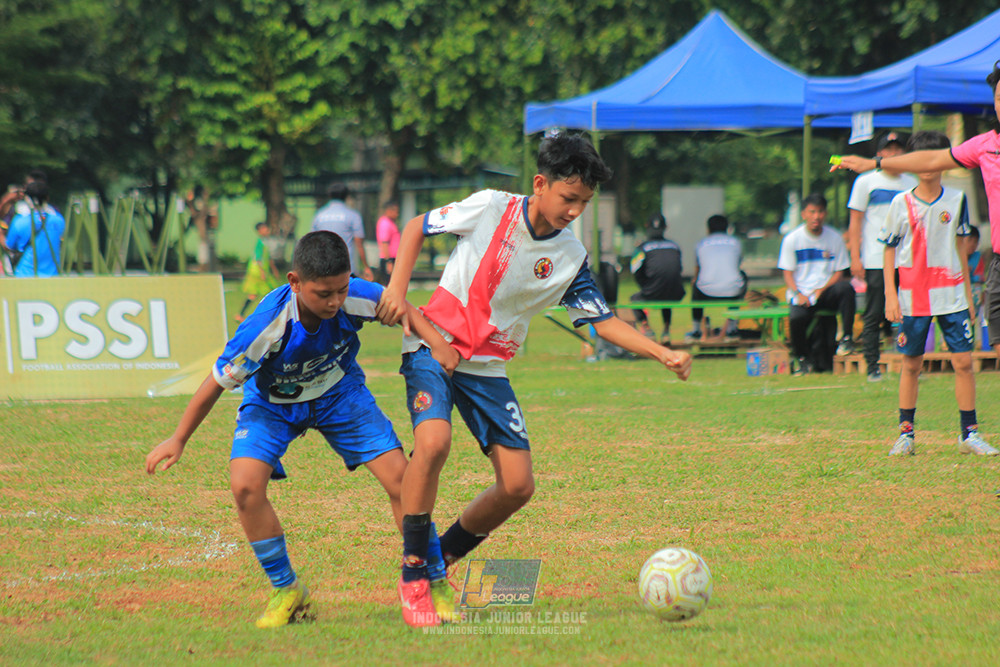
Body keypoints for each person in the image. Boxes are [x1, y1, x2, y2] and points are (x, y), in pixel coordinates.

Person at [374, 133, 692, 628]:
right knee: (433, 443)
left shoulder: (570, 257)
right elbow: (416, 226)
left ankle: (439, 560)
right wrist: (397, 286)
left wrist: (661, 352)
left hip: (488, 367)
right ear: (540, 184)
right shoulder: (490, 207)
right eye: (569, 199)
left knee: (518, 486)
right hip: (433, 343)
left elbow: (602, 320)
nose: (574, 211)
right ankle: (414, 573)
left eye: (584, 203)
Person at [144, 231, 461, 629]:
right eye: (323, 293)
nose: (334, 302)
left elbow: (404, 310)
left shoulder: (354, 295)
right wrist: (179, 438)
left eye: (341, 290)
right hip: (271, 405)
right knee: (244, 485)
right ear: (295, 283)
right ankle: (286, 589)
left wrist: (439, 345)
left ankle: (433, 578)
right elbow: (215, 382)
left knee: (402, 481)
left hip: (340, 394)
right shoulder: (266, 325)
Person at [833, 61, 1000, 358]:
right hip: (988, 263)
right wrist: (874, 164)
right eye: (999, 98)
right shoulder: (984, 146)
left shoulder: (954, 194)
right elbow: (930, 160)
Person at [879, 131, 997, 457]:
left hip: (953, 296)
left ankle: (969, 434)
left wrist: (970, 296)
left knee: (963, 362)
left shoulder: (957, 199)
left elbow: (961, 245)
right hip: (913, 296)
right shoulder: (899, 203)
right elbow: (888, 250)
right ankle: (906, 434)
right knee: (912, 364)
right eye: (922, 156)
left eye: (935, 155)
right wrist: (890, 294)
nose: (929, 164)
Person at [847, 132, 918, 382]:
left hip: (907, 257)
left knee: (910, 312)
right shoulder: (866, 181)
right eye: (890, 149)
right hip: (877, 258)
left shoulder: (911, 181)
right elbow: (855, 223)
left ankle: (909, 365)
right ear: (880, 154)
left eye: (899, 149)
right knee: (875, 312)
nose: (895, 153)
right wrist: (855, 257)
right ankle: (872, 365)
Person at [777, 193, 856, 374]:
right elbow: (788, 273)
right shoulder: (792, 239)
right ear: (804, 214)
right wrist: (798, 294)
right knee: (796, 318)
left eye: (820, 212)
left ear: (825, 214)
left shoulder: (834, 238)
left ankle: (847, 338)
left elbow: (839, 272)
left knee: (846, 289)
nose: (816, 217)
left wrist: (822, 289)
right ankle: (802, 358)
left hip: (826, 290)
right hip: (802, 292)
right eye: (812, 212)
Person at [688, 214, 747, 339]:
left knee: (695, 284)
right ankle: (732, 329)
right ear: (727, 228)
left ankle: (696, 330)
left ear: (708, 228)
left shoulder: (702, 243)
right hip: (732, 292)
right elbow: (737, 264)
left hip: (705, 292)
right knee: (741, 278)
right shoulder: (736, 242)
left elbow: (698, 267)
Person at [629, 212, 685, 342]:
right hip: (676, 293)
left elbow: (635, 270)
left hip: (652, 292)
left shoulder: (642, 247)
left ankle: (647, 328)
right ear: (665, 227)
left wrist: (645, 286)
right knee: (667, 296)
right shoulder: (674, 246)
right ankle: (666, 330)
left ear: (647, 226)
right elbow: (678, 269)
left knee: (634, 299)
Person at [311, 183, 375, 282]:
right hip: (346, 268)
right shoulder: (353, 215)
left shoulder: (319, 215)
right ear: (346, 196)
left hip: (322, 266)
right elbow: (359, 243)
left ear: (330, 196)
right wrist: (366, 266)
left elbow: (312, 242)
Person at [4, 178, 65, 277]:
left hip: (25, 274)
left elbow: (10, 245)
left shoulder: (19, 221)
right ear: (47, 198)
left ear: (27, 199)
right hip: (52, 275)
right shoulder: (59, 220)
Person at [235, 222, 283, 322]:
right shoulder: (260, 242)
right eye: (264, 229)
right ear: (259, 231)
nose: (267, 231)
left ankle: (241, 314)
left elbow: (268, 258)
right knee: (271, 291)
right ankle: (273, 315)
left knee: (255, 294)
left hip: (262, 271)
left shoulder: (265, 241)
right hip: (257, 271)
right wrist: (262, 272)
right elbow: (258, 258)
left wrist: (274, 270)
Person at [186, 184, 219, 272]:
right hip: (203, 239)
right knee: (204, 256)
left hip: (205, 239)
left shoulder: (203, 214)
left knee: (206, 256)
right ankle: (203, 270)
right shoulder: (198, 215)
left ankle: (205, 269)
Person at [376, 200, 401, 283]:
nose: (397, 214)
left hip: (393, 258)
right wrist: (388, 262)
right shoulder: (385, 223)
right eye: (396, 211)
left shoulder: (391, 223)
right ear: (389, 211)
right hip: (388, 259)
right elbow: (384, 243)